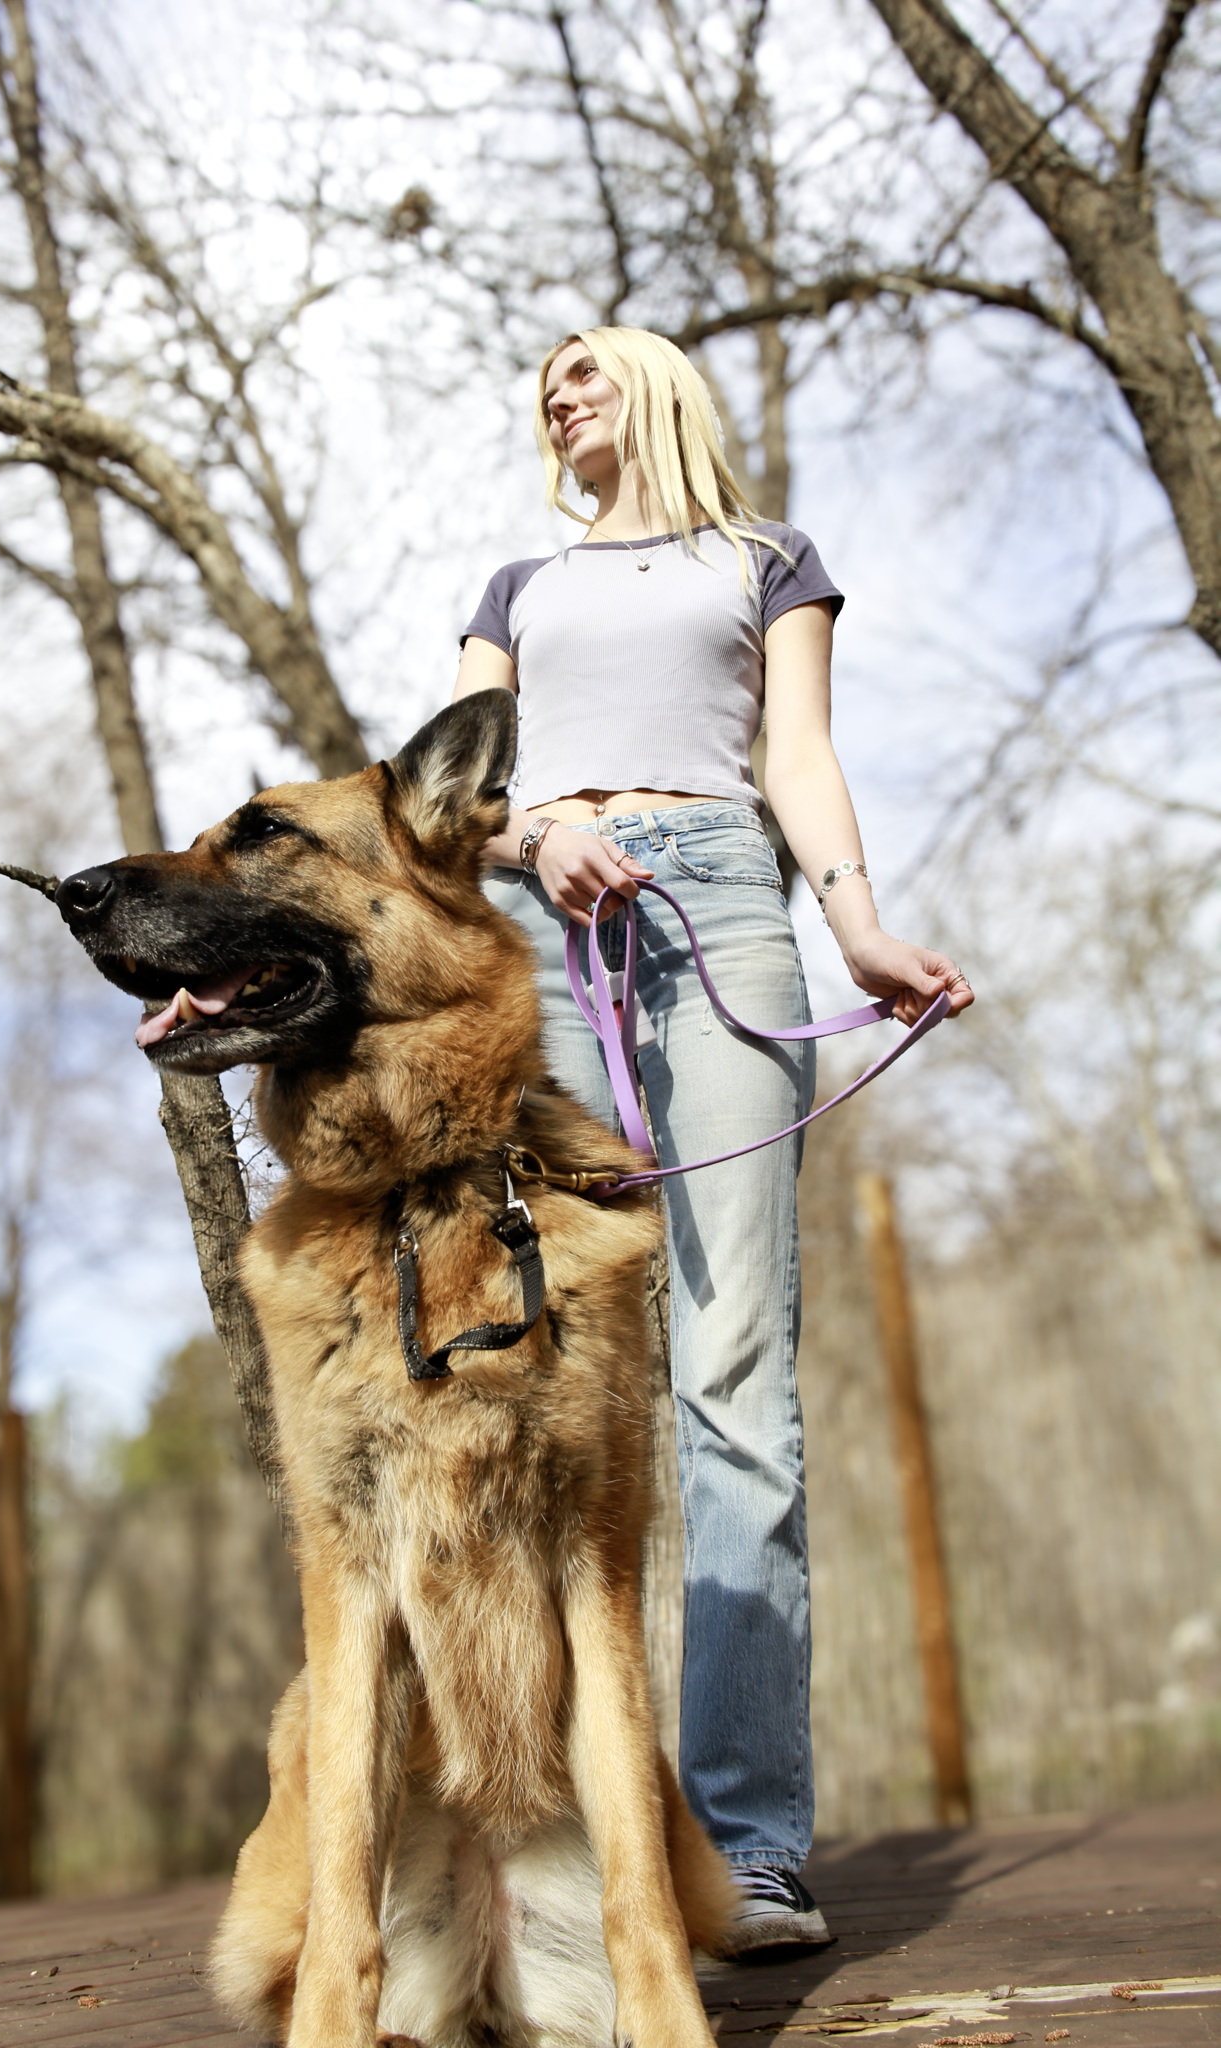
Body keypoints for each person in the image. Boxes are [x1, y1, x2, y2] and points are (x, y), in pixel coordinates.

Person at [452, 327, 972, 1954]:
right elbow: (464, 787)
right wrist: (541, 825)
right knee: (523, 1374)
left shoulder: (766, 560)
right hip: (548, 930)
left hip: (725, 911)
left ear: (662, 385)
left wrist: (865, 933)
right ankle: (543, 1854)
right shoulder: (515, 585)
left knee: (733, 1367)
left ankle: (744, 1851)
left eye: (590, 364)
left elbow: (795, 758)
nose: (561, 387)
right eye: (546, 377)